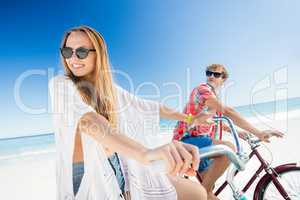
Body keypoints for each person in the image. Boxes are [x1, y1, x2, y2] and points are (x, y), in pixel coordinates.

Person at [49, 25, 210, 200]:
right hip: (86, 178)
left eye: (81, 52)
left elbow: (150, 107)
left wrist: (190, 118)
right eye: (67, 52)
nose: (72, 59)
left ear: (99, 54)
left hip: (118, 166)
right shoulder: (61, 84)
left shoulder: (111, 91)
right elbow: (88, 121)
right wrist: (145, 154)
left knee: (197, 192)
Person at [173, 64, 284, 200]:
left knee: (209, 192)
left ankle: (202, 194)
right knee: (227, 150)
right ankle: (201, 193)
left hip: (201, 143)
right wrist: (258, 132)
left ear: (223, 79)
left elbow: (220, 123)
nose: (212, 76)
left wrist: (238, 133)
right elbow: (228, 112)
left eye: (216, 74)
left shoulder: (213, 99)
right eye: (209, 73)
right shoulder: (202, 90)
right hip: (187, 141)